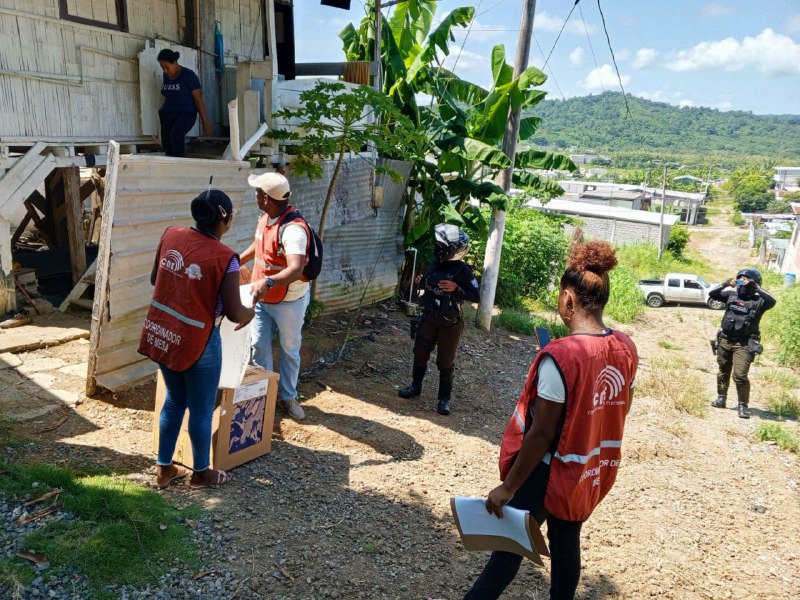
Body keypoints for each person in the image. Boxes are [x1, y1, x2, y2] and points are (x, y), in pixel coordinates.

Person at [463, 241, 638, 600]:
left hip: (543, 472)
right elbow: (620, 406)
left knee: (508, 550)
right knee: (566, 542)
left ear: (568, 299)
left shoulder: (561, 356)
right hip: (587, 468)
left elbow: (541, 433)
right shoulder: (625, 347)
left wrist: (508, 488)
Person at [139, 189, 254, 489]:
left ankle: (164, 470)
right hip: (199, 341)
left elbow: (156, 279)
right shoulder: (225, 258)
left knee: (174, 400)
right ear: (224, 218)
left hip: (165, 333)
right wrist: (252, 307)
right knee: (201, 409)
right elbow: (234, 313)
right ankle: (201, 474)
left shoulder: (170, 235)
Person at [240, 172, 311, 420]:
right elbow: (258, 244)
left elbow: (296, 268)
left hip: (288, 302)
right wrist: (235, 260)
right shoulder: (266, 218)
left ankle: (288, 397)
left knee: (290, 349)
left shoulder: (293, 231)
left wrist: (268, 281)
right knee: (259, 346)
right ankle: (264, 398)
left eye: (258, 191)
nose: (255, 194)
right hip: (262, 298)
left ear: (267, 198)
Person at [398, 223, 480, 416]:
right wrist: (422, 282)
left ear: (451, 250)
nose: (437, 248)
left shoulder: (462, 271)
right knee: (420, 352)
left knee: (445, 362)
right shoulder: (435, 263)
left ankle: (444, 400)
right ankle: (415, 387)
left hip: (450, 323)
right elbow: (428, 285)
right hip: (430, 317)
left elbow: (475, 296)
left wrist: (456, 288)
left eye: (441, 246)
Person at [709, 268, 776, 419]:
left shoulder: (760, 301)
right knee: (723, 371)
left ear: (754, 282)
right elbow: (712, 294)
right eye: (740, 279)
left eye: (746, 279)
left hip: (744, 344)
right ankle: (721, 398)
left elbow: (773, 300)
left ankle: (743, 405)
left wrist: (757, 288)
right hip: (725, 340)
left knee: (739, 375)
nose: (742, 282)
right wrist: (726, 283)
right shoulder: (731, 295)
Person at [157, 49, 212, 157]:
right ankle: (169, 168)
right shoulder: (166, 76)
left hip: (186, 114)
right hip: (168, 114)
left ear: (175, 63)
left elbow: (198, 100)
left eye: (167, 67)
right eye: (162, 67)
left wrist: (205, 122)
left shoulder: (189, 76)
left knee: (176, 136)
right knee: (167, 143)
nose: (165, 71)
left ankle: (179, 165)